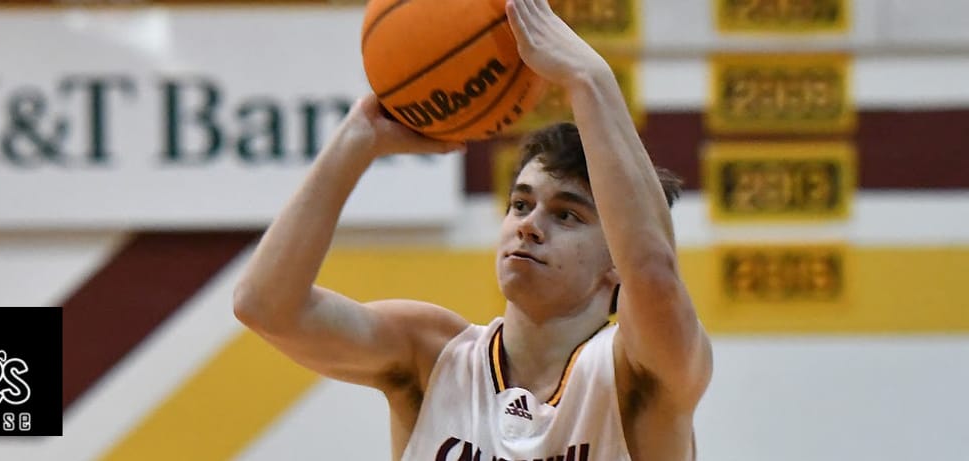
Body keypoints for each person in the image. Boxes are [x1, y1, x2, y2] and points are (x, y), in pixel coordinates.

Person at [233, 0, 713, 459]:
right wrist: (357, 140)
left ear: (616, 265)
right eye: (520, 204)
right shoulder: (432, 354)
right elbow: (265, 307)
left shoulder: (643, 373)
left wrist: (589, 79)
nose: (529, 226)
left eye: (567, 214)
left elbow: (653, 273)